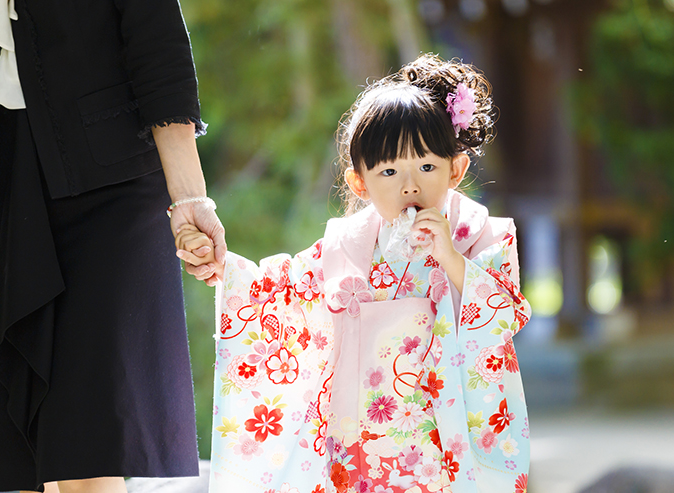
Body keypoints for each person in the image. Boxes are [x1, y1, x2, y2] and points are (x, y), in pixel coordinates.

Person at [188, 54, 531, 493]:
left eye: (427, 166)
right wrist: (226, 270)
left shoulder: (482, 237)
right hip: (363, 441)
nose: (409, 185)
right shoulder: (344, 245)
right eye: (388, 171)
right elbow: (279, 293)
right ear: (359, 184)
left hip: (446, 439)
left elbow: (504, 320)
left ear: (455, 170)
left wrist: (452, 259)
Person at [0, 0, 224, 492]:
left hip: (109, 176)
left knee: (88, 445)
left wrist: (189, 198)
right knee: (9, 448)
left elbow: (156, 41)